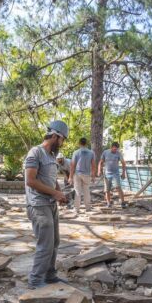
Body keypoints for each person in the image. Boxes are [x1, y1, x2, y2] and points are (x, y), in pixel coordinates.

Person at [24, 120, 69, 288]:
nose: (62, 143)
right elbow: (30, 180)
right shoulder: (35, 152)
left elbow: (52, 180)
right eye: (62, 139)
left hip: (50, 204)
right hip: (38, 205)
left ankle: (50, 275)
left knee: (55, 241)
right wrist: (54, 193)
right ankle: (35, 281)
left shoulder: (51, 156)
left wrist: (59, 193)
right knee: (45, 244)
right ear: (56, 136)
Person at [70, 138, 96, 215]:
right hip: (87, 174)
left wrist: (70, 177)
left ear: (79, 143)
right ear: (86, 143)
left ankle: (76, 209)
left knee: (77, 192)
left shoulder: (76, 152)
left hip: (78, 174)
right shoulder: (91, 153)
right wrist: (93, 176)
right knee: (86, 191)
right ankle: (88, 208)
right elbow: (93, 165)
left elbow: (73, 165)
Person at [97, 142, 127, 208]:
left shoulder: (118, 153)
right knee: (107, 190)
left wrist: (123, 173)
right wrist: (99, 170)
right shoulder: (105, 152)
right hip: (107, 174)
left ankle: (123, 202)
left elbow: (123, 163)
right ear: (111, 147)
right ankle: (108, 203)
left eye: (116, 149)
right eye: (114, 149)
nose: (115, 150)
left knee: (118, 187)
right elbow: (100, 162)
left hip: (115, 173)